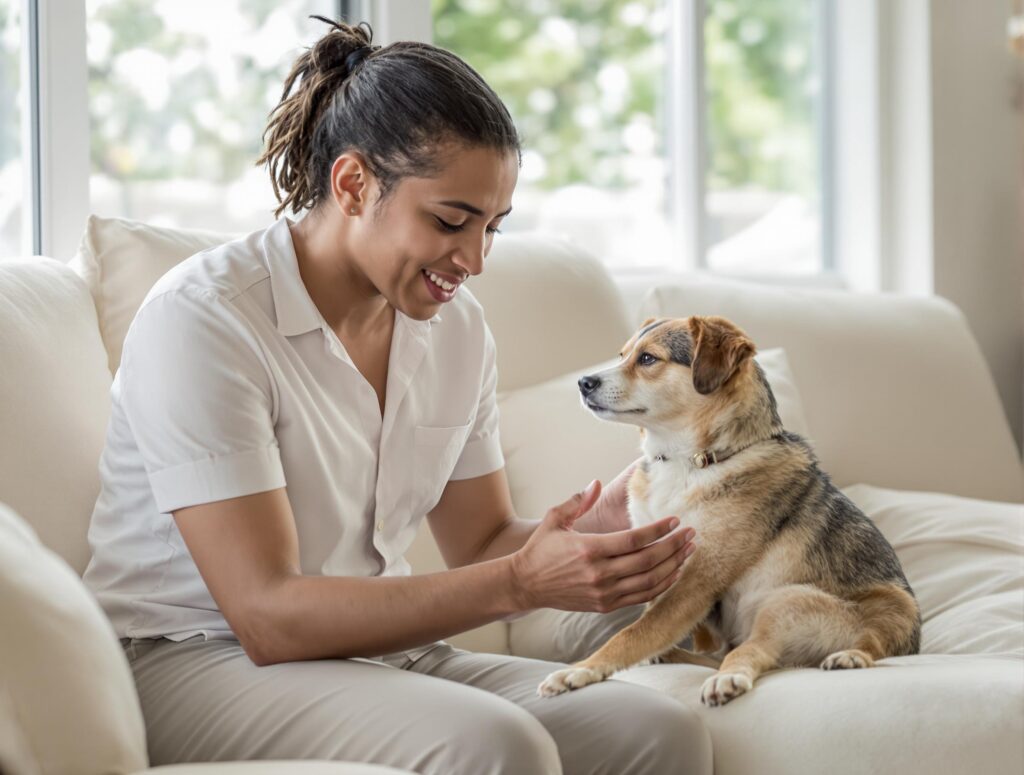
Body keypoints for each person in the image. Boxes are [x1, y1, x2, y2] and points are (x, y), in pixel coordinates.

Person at [82, 17, 709, 775]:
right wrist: (518, 582)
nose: (474, 258)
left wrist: (609, 517)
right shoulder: (204, 319)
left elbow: (479, 545)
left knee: (654, 727)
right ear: (352, 184)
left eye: (493, 228)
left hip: (380, 652)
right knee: (494, 745)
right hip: (188, 659)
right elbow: (266, 615)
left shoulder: (455, 329)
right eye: (451, 220)